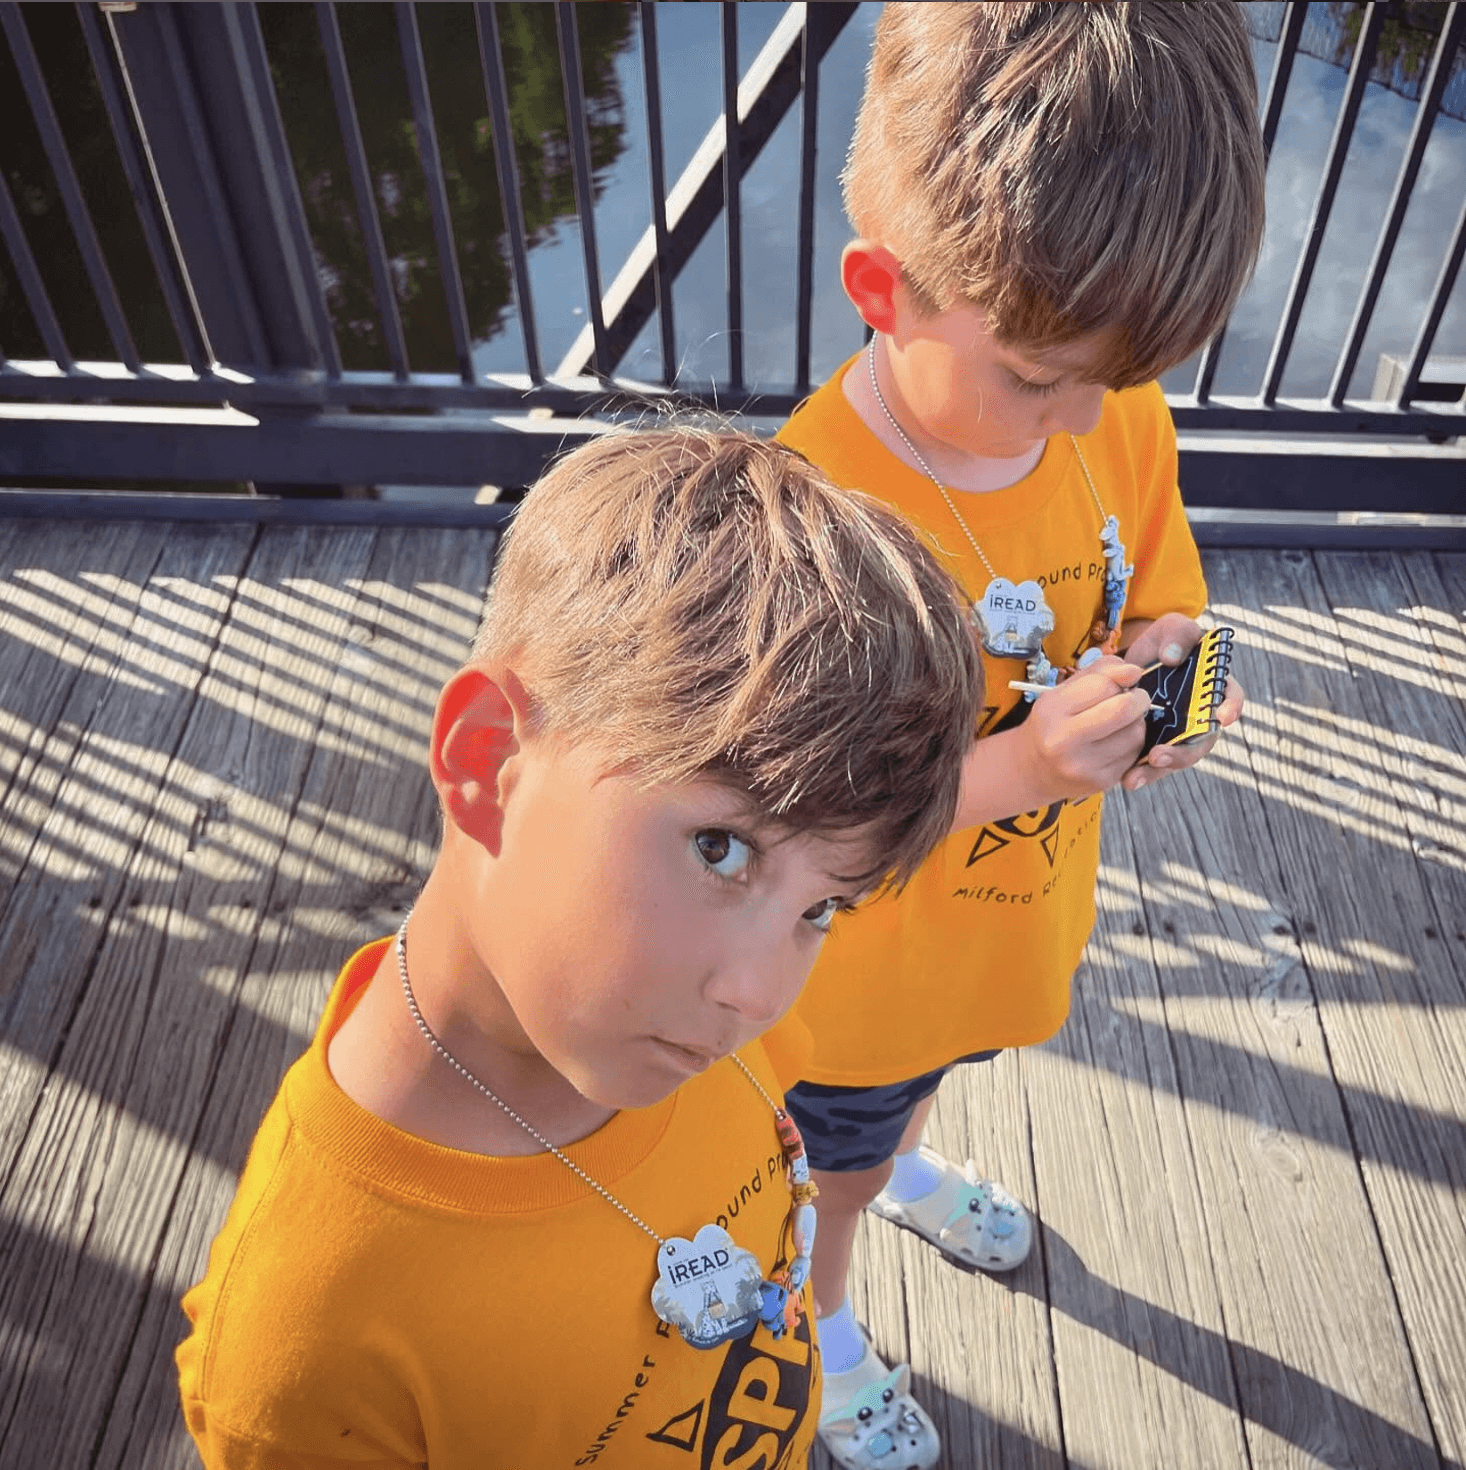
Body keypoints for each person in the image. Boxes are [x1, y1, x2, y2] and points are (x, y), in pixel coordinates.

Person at [175, 428, 985, 1470]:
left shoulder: (689, 1023)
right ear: (487, 764)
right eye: (719, 847)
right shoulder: (311, 1344)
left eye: (820, 908)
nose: (757, 993)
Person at [774, 5, 1265, 1464]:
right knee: (828, 1171)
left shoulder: (1106, 405)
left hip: (997, 940)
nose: (1073, 424)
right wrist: (1039, 764)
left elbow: (1154, 575)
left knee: (907, 1108)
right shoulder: (820, 521)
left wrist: (1164, 659)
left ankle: (903, 1169)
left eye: (1105, 384)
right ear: (887, 290)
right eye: (1034, 381)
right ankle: (818, 1320)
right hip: (853, 983)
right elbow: (820, 830)